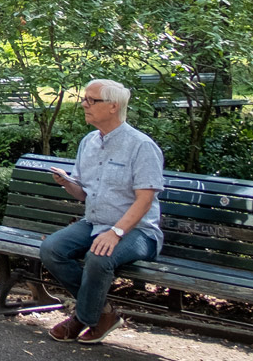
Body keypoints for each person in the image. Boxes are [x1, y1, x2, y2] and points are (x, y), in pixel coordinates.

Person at [40, 79, 164, 344]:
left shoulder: (141, 146)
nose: (84, 104)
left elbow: (145, 200)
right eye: (84, 99)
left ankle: (82, 318)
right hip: (95, 222)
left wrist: (116, 232)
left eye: (91, 100)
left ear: (113, 106)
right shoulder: (89, 142)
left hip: (138, 231)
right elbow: (84, 194)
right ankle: (103, 313)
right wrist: (67, 183)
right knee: (51, 249)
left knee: (98, 256)